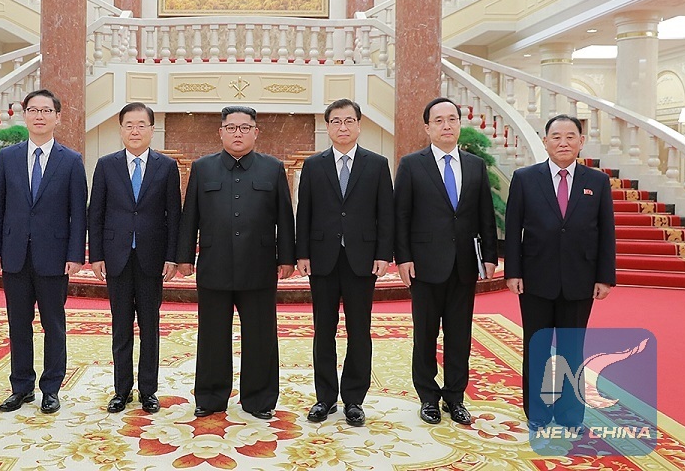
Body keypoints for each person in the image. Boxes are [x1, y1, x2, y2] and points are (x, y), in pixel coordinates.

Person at [176, 106, 295, 420]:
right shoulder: (203, 168)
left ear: (256, 132)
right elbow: (190, 215)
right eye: (231, 128)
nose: (238, 133)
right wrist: (184, 256)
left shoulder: (272, 168)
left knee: (261, 335)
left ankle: (259, 399)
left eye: (245, 128)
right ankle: (210, 396)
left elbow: (285, 217)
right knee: (212, 335)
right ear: (221, 132)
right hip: (214, 264)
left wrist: (286, 258)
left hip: (259, 265)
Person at [504, 114, 615, 430]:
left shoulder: (597, 182)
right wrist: (513, 272)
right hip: (535, 278)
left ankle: (569, 414)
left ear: (581, 141)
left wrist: (605, 276)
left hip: (580, 280)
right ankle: (537, 413)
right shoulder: (525, 178)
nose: (563, 142)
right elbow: (512, 229)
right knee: (536, 347)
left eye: (570, 136)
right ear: (545, 141)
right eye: (556, 136)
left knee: (572, 349)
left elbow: (606, 232)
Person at [394, 97, 498, 426]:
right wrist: (403, 258)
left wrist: (490, 256)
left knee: (459, 336)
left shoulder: (475, 165)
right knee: (425, 335)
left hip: (464, 265)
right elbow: (401, 215)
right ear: (427, 128)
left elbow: (485, 214)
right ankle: (428, 397)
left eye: (452, 119)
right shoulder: (412, 164)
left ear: (459, 124)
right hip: (424, 265)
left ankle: (455, 397)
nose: (447, 125)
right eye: (438, 120)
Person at [0, 89, 88, 415]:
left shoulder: (71, 160)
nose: (40, 116)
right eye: (34, 110)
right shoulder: (9, 158)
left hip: (54, 256)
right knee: (18, 324)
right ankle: (21, 387)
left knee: (53, 325)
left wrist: (75, 254)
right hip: (14, 253)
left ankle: (51, 388)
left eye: (46, 110)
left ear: (57, 117)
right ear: (25, 115)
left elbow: (78, 212)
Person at [295, 99, 394, 427]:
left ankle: (354, 399)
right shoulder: (314, 165)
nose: (342, 127)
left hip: (362, 260)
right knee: (323, 330)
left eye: (348, 121)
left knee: (359, 330)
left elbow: (386, 214)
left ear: (358, 125)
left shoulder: (377, 164)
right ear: (328, 127)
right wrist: (302, 253)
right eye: (336, 121)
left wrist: (383, 254)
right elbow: (304, 212)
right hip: (322, 259)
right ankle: (324, 397)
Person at [88, 103, 182, 415]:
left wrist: (172, 256)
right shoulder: (106, 165)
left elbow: (174, 215)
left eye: (142, 125)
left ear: (152, 130)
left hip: (151, 258)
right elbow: (96, 212)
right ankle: (122, 390)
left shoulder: (166, 166)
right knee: (121, 326)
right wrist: (96, 255)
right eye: (129, 125)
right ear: (121, 129)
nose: (135, 131)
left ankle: (148, 390)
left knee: (150, 327)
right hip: (116, 257)